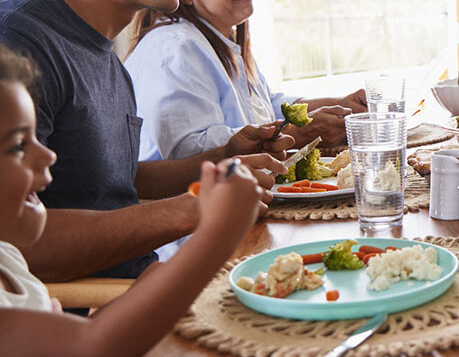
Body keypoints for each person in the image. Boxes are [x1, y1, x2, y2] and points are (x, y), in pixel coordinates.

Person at [0, 0, 288, 282]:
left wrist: (223, 158)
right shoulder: (18, 44)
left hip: (141, 285)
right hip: (97, 315)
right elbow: (13, 243)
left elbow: (108, 183)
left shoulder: (106, 54)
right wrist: (193, 209)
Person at [0, 43, 268, 355]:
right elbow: (92, 346)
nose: (47, 154)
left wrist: (150, 286)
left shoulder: (8, 257)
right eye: (18, 146)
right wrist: (218, 233)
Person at [125, 0, 367, 162]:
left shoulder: (218, 41)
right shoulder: (176, 47)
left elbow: (264, 106)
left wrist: (341, 106)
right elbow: (188, 151)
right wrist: (300, 133)